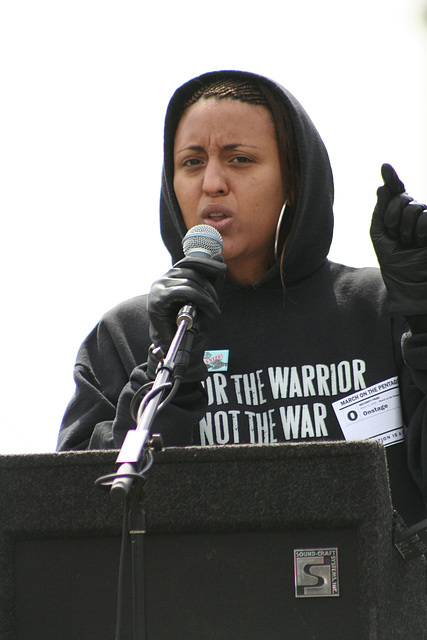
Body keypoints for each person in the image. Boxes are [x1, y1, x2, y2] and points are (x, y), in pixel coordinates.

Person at [57, 70, 427, 526]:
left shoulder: (380, 310)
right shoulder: (127, 336)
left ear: (293, 180)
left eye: (240, 160)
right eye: (192, 162)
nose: (212, 182)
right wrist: (162, 368)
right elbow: (73, 528)